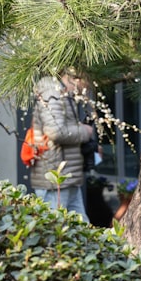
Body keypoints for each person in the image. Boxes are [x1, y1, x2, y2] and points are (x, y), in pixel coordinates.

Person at [30, 70, 96, 222]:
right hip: (55, 179)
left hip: (68, 177)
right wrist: (85, 131)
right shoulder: (51, 92)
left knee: (80, 231)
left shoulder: (63, 94)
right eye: (88, 81)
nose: (87, 87)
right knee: (54, 230)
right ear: (77, 77)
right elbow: (56, 132)